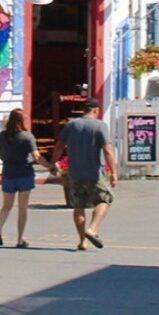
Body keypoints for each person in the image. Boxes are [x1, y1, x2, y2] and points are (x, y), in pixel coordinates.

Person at [48, 99, 117, 250]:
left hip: (75, 173)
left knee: (78, 206)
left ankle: (82, 242)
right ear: (96, 110)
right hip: (94, 173)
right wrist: (113, 172)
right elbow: (107, 150)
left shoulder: (72, 125)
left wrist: (53, 163)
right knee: (105, 199)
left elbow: (60, 145)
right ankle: (92, 229)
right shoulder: (100, 126)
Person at [0, 108, 48, 248]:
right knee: (22, 208)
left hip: (8, 172)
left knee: (6, 206)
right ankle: (19, 239)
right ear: (22, 121)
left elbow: (0, 154)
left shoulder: (2, 136)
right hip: (24, 173)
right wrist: (50, 167)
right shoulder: (27, 136)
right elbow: (37, 156)